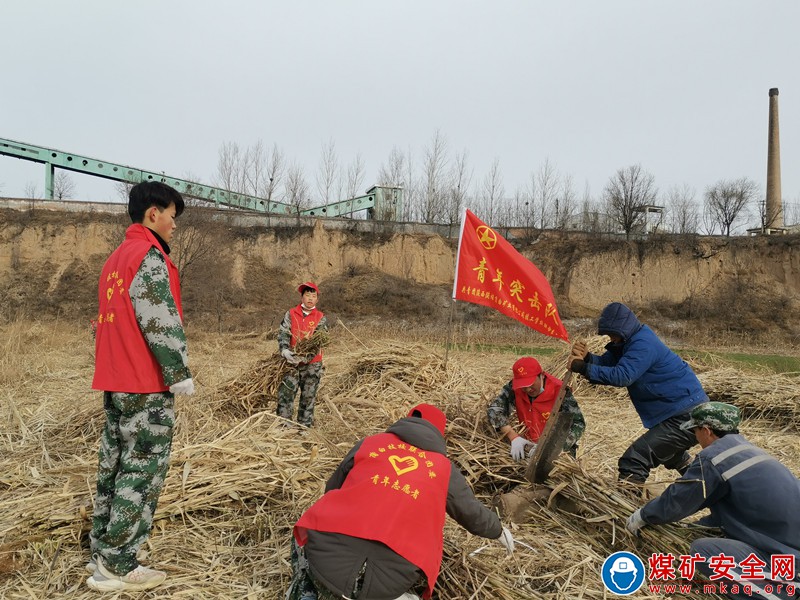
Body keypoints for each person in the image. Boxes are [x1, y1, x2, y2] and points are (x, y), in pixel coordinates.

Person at [287, 403, 515, 600]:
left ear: (406, 420)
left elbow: (331, 489)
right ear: (439, 434)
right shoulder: (443, 468)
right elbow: (471, 513)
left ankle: (306, 589)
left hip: (326, 565)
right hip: (387, 586)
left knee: (306, 528)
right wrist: (497, 530)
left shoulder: (371, 443)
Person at [86, 181, 194, 592]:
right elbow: (160, 321)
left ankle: (102, 548)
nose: (173, 225)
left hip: (116, 381)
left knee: (113, 466)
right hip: (145, 383)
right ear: (153, 213)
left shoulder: (115, 259)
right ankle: (118, 563)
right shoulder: (148, 257)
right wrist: (177, 373)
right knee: (142, 470)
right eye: (171, 215)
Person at [626, 402, 800, 600]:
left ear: (706, 430)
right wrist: (691, 528)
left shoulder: (715, 457)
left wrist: (644, 515)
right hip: (787, 543)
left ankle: (781, 592)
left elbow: (678, 500)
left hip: (789, 561)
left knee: (704, 551)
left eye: (695, 431)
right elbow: (735, 512)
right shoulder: (751, 451)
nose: (695, 438)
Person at [568, 302, 708, 483]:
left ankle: (627, 506)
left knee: (634, 460)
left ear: (623, 329)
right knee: (670, 454)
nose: (611, 338)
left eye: (612, 334)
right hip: (679, 411)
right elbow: (610, 364)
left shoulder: (642, 344)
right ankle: (705, 484)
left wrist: (582, 367)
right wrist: (588, 358)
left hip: (687, 414)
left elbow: (622, 376)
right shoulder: (629, 341)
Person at [488, 356, 585, 461]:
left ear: (542, 376)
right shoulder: (515, 387)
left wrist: (553, 449)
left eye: (531, 383)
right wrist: (513, 437)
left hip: (557, 455)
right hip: (527, 448)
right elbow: (495, 410)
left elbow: (578, 423)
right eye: (523, 385)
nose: (528, 389)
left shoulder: (560, 391)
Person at [277, 281, 328, 428]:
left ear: (317, 299)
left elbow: (320, 340)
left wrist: (305, 357)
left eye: (313, 295)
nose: (310, 298)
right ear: (302, 297)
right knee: (285, 394)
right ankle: (283, 426)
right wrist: (284, 350)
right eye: (307, 295)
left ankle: (304, 427)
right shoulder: (291, 313)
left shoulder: (320, 317)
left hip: (312, 364)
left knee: (308, 396)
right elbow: (283, 333)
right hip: (291, 361)